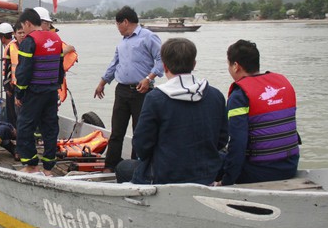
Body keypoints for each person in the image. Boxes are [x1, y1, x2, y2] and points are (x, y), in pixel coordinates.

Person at [115, 38, 228, 185]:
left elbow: (141, 145)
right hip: (206, 173)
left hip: (166, 175)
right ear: (194, 64)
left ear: (165, 66)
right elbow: (222, 139)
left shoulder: (155, 98)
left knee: (123, 167)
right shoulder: (215, 95)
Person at [218, 39, 300, 186]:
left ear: (236, 66)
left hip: (258, 171)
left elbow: (238, 143)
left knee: (212, 157)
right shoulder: (283, 83)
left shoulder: (239, 97)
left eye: (229, 65)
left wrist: (227, 181)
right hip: (290, 166)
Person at [94, 6, 163, 172]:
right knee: (117, 130)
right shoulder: (122, 42)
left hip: (142, 90)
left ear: (125, 22)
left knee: (140, 130)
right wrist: (103, 82)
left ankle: (136, 166)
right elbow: (114, 64)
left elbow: (162, 58)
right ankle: (111, 165)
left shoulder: (148, 37)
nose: (117, 28)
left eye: (118, 24)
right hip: (122, 90)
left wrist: (149, 78)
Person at [15, 8, 64, 175]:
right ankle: (48, 168)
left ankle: (31, 164)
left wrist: (19, 93)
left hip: (34, 92)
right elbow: (60, 69)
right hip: (51, 92)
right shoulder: (56, 39)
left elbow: (23, 71)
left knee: (24, 127)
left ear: (28, 23)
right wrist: (56, 86)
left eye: (23, 26)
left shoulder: (30, 41)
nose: (23, 30)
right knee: (50, 128)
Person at [35, 7, 78, 104]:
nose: (49, 29)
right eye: (47, 24)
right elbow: (45, 57)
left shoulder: (52, 41)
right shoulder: (31, 42)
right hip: (37, 88)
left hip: (51, 86)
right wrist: (66, 50)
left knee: (49, 115)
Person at [0, 22, 20, 126]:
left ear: (2, 37)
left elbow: (7, 68)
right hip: (20, 84)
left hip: (12, 86)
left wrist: (7, 86)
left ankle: (15, 134)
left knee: (12, 112)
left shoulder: (9, 47)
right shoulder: (18, 44)